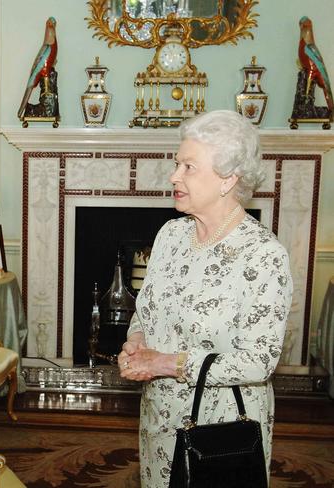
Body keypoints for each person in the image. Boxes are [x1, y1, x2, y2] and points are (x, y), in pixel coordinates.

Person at [118, 110, 292, 488]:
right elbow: (147, 309)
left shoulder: (264, 255)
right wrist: (136, 342)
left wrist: (165, 362)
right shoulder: (170, 235)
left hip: (222, 426)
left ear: (228, 178)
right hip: (159, 414)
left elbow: (258, 362)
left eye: (189, 167)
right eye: (177, 163)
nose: (174, 175)